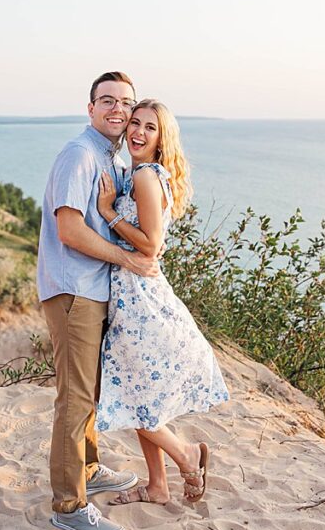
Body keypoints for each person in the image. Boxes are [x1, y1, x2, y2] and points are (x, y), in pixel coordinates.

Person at [38, 71, 161, 530]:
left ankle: (87, 468)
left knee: (87, 392)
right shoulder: (80, 155)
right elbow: (69, 229)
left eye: (125, 103)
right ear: (90, 108)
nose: (117, 109)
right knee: (75, 398)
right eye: (106, 100)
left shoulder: (111, 157)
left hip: (92, 289)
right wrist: (126, 257)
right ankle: (69, 505)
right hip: (73, 290)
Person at [94, 98, 229, 506]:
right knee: (143, 393)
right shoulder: (144, 174)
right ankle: (157, 486)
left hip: (140, 303)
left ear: (161, 139)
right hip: (134, 295)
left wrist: (107, 212)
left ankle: (187, 455)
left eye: (149, 127)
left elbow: (152, 246)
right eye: (135, 123)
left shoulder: (145, 179)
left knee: (134, 398)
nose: (137, 131)